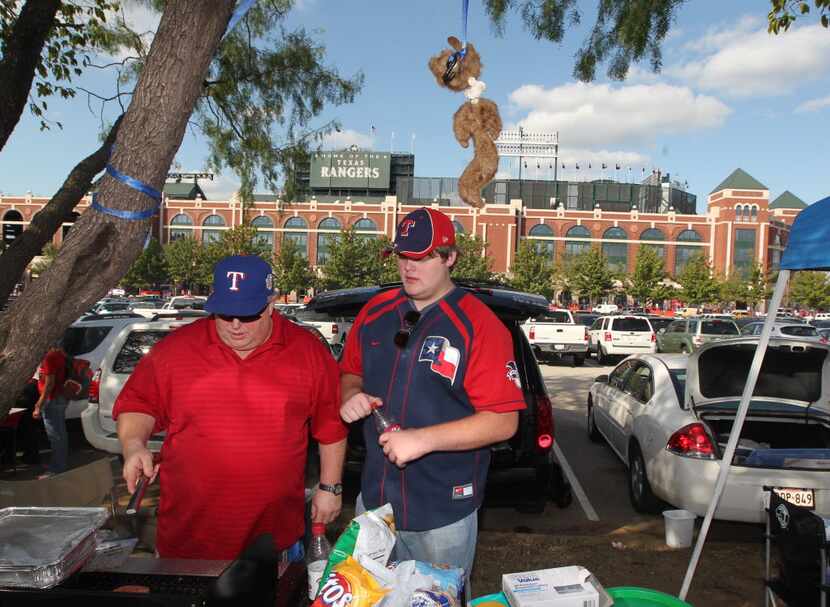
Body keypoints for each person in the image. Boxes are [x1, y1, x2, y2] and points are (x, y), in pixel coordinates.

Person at [114, 255, 347, 561]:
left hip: (274, 539)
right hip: (187, 539)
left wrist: (330, 487)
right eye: (225, 314)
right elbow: (138, 404)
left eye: (248, 315)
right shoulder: (175, 350)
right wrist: (133, 446)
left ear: (271, 304)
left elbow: (331, 426)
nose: (236, 326)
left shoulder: (308, 352)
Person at [339, 207, 526, 587]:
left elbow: (504, 421)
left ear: (450, 257)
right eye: (403, 256)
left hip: (443, 510)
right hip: (374, 502)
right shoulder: (376, 311)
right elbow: (350, 371)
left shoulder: (480, 325)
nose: (410, 267)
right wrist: (352, 393)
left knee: (436, 597)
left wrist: (421, 440)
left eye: (424, 257)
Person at [33, 342, 68, 476]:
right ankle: (58, 463)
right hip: (56, 398)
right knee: (59, 434)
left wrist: (39, 404)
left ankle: (58, 467)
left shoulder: (50, 357)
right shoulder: (58, 354)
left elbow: (49, 383)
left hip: (52, 399)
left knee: (56, 436)